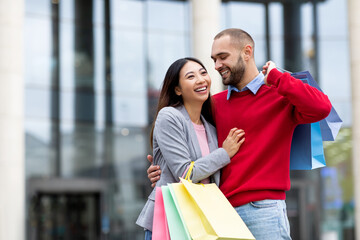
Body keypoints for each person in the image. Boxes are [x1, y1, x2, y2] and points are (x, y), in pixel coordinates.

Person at [146, 28, 332, 240]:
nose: (216, 66)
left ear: (247, 52)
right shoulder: (213, 103)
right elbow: (192, 148)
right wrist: (163, 169)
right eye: (214, 59)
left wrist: (277, 77)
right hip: (219, 214)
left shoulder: (280, 96)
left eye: (223, 57)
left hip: (263, 212)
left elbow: (321, 108)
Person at [136, 57, 245, 240]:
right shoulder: (169, 116)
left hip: (202, 222)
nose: (201, 79)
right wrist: (224, 153)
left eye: (203, 73)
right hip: (171, 222)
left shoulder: (210, 128)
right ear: (177, 89)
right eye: (191, 76)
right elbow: (185, 173)